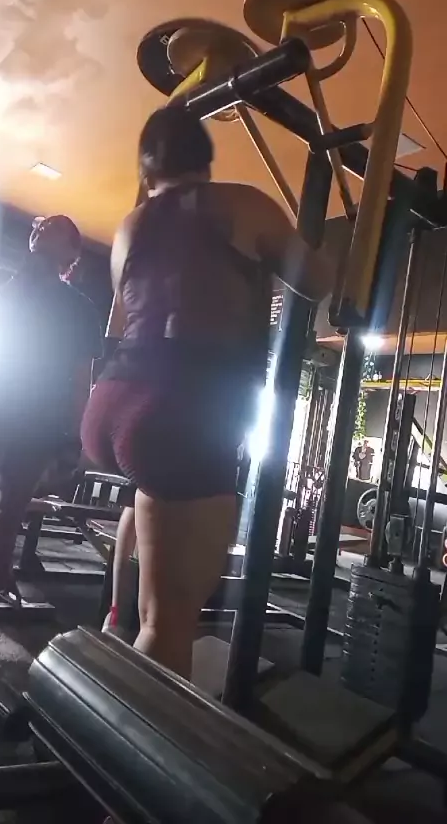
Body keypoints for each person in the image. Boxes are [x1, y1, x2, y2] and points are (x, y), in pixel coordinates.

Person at [81, 105, 336, 679]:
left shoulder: (129, 226)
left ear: (147, 169)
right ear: (205, 157)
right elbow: (318, 281)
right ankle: (139, 732)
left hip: (114, 399)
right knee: (169, 625)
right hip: (180, 410)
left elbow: (128, 312)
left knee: (153, 563)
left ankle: (119, 625)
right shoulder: (243, 203)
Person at [0, 214, 103, 654]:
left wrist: (75, 439)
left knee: (6, 517)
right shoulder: (6, 285)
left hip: (37, 421)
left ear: (72, 255)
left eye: (53, 229)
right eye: (39, 228)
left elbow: (81, 381)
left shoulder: (80, 308)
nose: (40, 231)